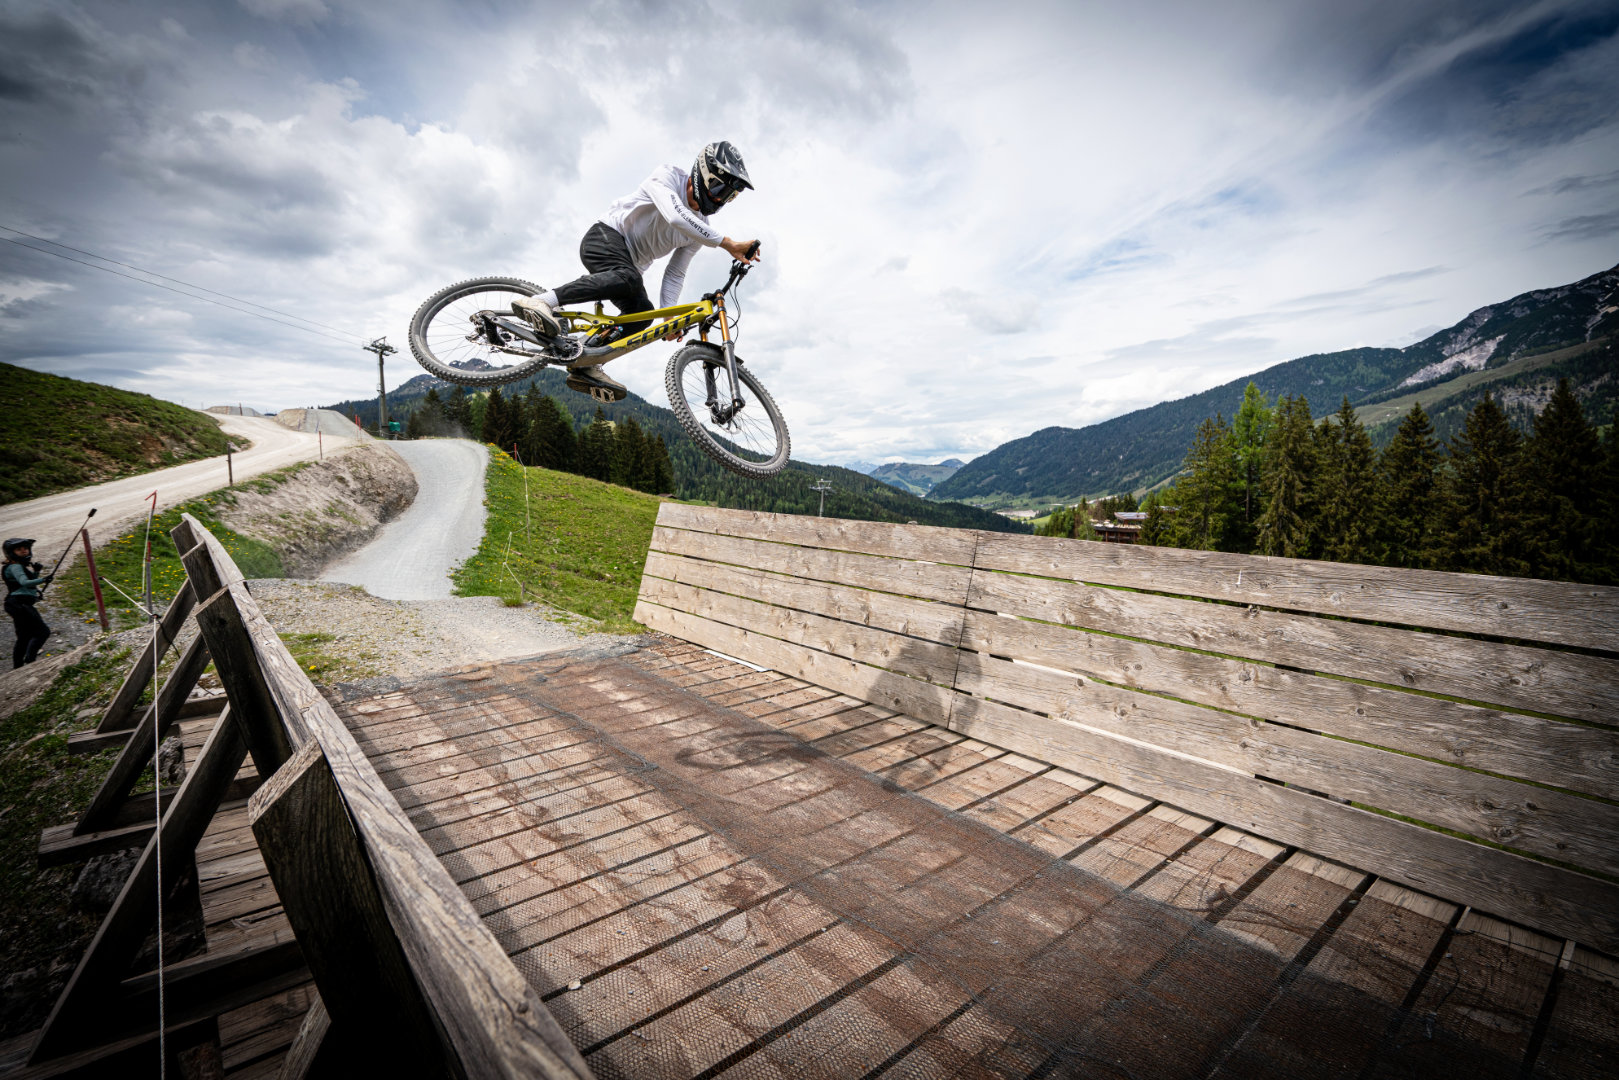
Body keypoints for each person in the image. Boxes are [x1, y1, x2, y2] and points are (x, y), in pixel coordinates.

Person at [513, 140, 761, 403]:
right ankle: (543, 301)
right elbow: (676, 217)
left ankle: (584, 362)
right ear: (702, 173)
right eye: (719, 188)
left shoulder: (700, 230)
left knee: (642, 316)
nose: (720, 198)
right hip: (605, 237)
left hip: (625, 272)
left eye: (729, 195)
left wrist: (668, 318)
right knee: (629, 278)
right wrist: (728, 243)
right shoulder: (666, 176)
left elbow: (675, 273)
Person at [3, 538, 52, 669]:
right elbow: (24, 583)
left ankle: (18, 667)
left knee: (24, 637)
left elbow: (27, 586)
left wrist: (36, 572)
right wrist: (43, 579)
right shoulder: (15, 567)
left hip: (15, 604)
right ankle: (30, 661)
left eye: (26, 548)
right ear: (11, 553)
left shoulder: (17, 566)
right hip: (19, 604)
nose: (24, 551)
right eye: (19, 549)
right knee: (43, 632)